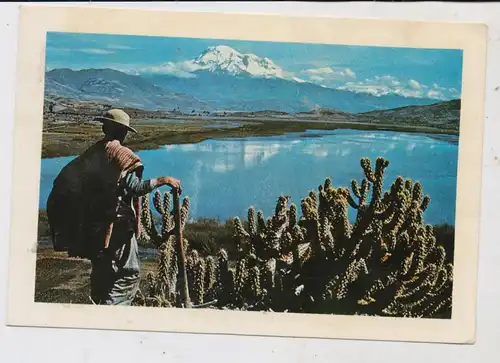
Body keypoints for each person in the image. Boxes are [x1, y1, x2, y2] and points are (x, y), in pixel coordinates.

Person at [47, 109, 181, 306]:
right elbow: (135, 188)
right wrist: (163, 180)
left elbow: (64, 181)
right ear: (123, 132)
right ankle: (112, 313)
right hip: (116, 225)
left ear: (104, 127)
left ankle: (97, 309)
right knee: (128, 274)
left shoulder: (92, 152)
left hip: (93, 226)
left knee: (103, 271)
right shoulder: (122, 155)